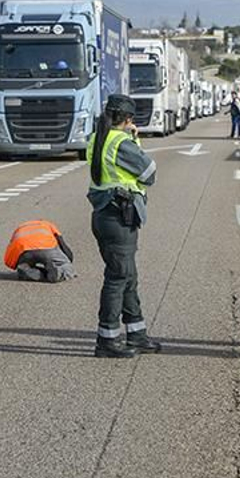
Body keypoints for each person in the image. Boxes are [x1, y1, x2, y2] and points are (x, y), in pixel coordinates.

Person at [86, 94, 160, 358]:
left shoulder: (97, 138)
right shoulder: (121, 142)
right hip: (120, 215)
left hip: (103, 215)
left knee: (127, 275)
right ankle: (106, 338)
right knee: (118, 278)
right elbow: (149, 173)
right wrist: (134, 139)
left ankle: (136, 333)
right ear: (128, 119)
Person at [3, 219, 77, 282]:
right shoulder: (48, 225)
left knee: (26, 263)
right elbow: (63, 246)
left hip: (23, 251)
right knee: (66, 267)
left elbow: (11, 249)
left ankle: (26, 269)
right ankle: (59, 272)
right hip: (46, 248)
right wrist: (67, 261)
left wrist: (15, 264)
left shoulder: (20, 228)